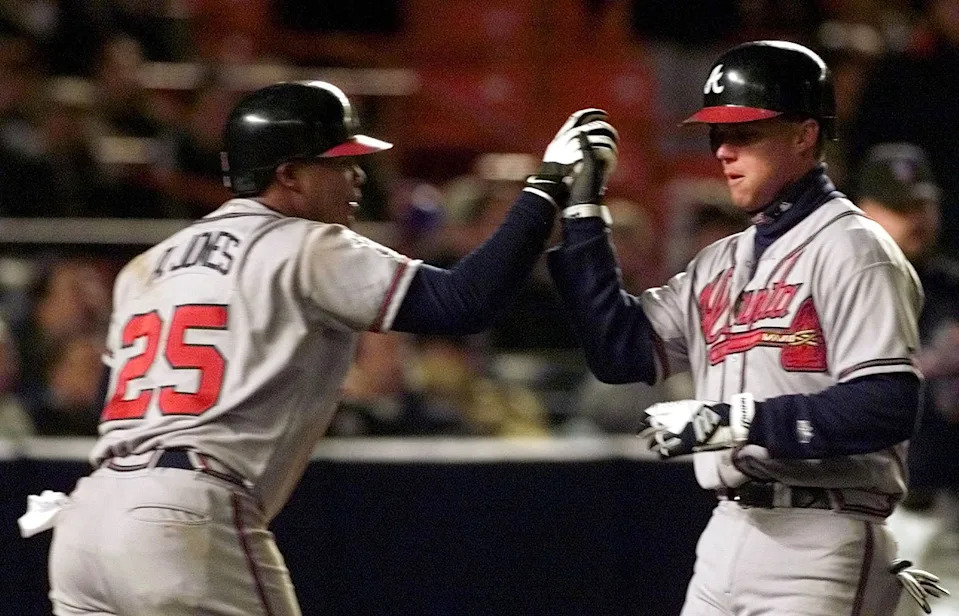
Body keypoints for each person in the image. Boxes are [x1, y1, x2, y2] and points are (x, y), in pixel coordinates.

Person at [33, 81, 617, 615]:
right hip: (186, 513)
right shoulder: (306, 243)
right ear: (289, 175)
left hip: (88, 519)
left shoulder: (146, 265)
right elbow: (463, 303)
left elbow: (115, 397)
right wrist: (545, 188)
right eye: (338, 162)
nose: (358, 175)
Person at [547, 40, 947, 615]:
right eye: (717, 134)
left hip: (822, 533)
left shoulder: (855, 249)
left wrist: (735, 420)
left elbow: (885, 406)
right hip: (727, 528)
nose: (723, 150)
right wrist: (583, 215)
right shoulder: (720, 261)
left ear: (804, 135)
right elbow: (620, 351)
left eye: (746, 133)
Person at [853, 142, 959, 616]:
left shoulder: (951, 288)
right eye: (899, 208)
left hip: (950, 512)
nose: (915, 219)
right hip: (876, 514)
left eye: (923, 205)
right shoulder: (843, 291)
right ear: (864, 212)